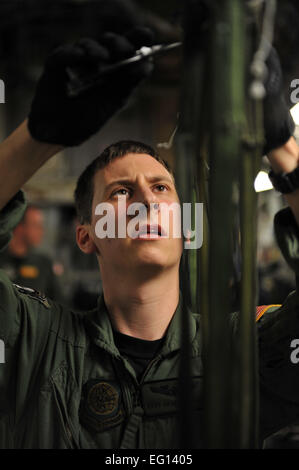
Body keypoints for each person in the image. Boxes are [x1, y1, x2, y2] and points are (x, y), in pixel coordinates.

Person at [1, 9, 299, 449]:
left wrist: (283, 146)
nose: (146, 200)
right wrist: (38, 137)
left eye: (161, 187)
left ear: (186, 227)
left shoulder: (243, 350)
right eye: (121, 191)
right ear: (87, 235)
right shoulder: (33, 341)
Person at [0, 205, 64, 302]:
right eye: (36, 225)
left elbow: (59, 304)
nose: (41, 231)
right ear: (19, 227)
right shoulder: (2, 261)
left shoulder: (44, 264)